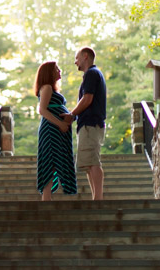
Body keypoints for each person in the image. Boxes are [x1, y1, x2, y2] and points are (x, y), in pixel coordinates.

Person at [61, 47, 106, 200]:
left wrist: (72, 115)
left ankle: (98, 199)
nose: (75, 62)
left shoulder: (92, 73)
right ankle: (95, 197)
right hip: (89, 125)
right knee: (88, 164)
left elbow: (87, 99)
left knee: (93, 161)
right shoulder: (93, 74)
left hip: (90, 124)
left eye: (77, 58)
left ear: (85, 56)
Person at [34, 60, 77, 201]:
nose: (59, 71)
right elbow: (42, 110)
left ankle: (47, 198)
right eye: (56, 69)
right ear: (49, 73)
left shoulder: (51, 88)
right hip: (51, 130)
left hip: (57, 131)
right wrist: (60, 124)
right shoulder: (46, 87)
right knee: (50, 162)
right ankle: (46, 198)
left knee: (53, 162)